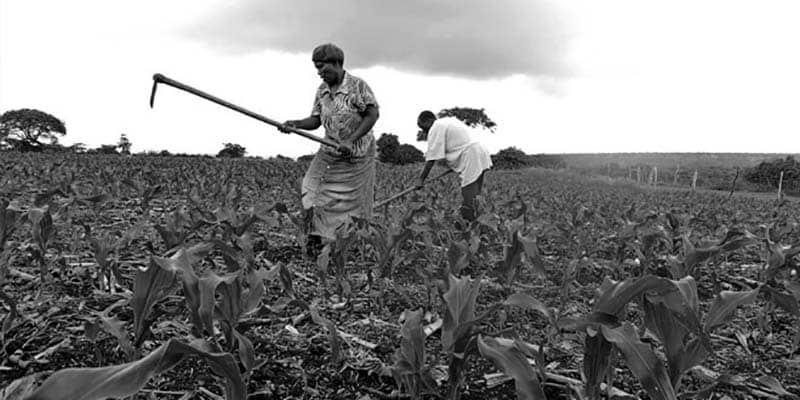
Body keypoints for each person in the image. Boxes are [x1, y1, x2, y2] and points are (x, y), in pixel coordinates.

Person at [279, 43, 379, 254]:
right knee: (311, 189)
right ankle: (317, 235)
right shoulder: (322, 90)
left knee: (351, 201)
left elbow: (372, 115)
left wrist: (351, 140)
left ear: (337, 63)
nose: (319, 72)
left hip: (357, 154)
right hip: (329, 150)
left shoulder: (357, 86)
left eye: (323, 67)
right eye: (316, 67)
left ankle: (345, 241)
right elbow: (315, 120)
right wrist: (294, 124)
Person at [416, 110, 492, 222]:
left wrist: (421, 179)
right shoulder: (450, 121)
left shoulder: (436, 126)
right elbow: (456, 145)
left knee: (469, 194)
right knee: (475, 194)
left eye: (423, 127)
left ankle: (469, 226)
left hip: (471, 155)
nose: (424, 131)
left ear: (428, 120)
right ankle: (477, 224)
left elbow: (432, 157)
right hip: (480, 151)